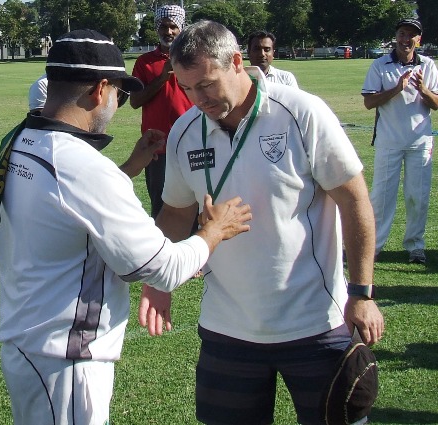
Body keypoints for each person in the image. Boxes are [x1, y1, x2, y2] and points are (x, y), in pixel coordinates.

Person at [0, 28, 251, 425]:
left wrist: (131, 166)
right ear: (100, 90)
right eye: (119, 92)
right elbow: (161, 267)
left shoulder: (22, 139)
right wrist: (212, 233)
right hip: (68, 358)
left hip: (28, 341)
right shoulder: (84, 167)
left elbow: (64, 203)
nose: (118, 103)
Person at [139, 20, 384, 425]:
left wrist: (361, 292)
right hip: (227, 329)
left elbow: (354, 201)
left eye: (206, 85)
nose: (196, 99)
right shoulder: (185, 130)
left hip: (315, 325)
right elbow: (176, 213)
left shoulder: (301, 112)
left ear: (237, 62)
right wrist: (157, 281)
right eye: (185, 88)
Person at [362, 18, 438, 264]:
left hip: (420, 141)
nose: (406, 39)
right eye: (403, 34)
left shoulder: (427, 65)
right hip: (389, 141)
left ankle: (415, 246)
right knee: (382, 197)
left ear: (419, 40)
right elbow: (369, 102)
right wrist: (396, 88)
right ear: (396, 36)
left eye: (412, 35)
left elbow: (435, 104)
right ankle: (374, 245)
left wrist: (424, 90)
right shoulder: (380, 65)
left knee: (418, 196)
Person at [130, 5, 192, 219]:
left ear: (181, 27)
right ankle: (163, 251)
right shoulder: (144, 62)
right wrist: (162, 78)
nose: (168, 32)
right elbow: (135, 101)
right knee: (162, 205)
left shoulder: (193, 58)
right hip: (159, 148)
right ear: (157, 28)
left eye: (173, 26)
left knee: (198, 202)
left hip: (193, 143)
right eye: (164, 27)